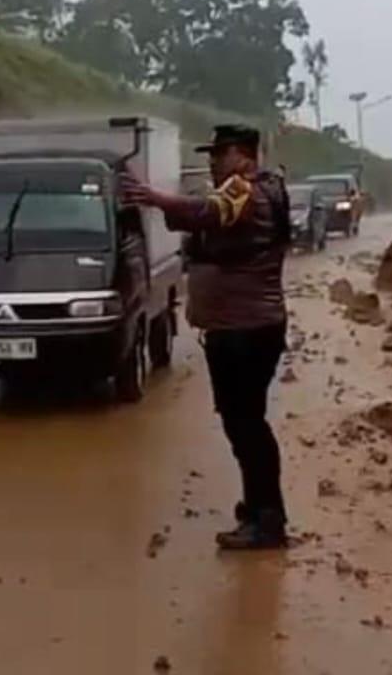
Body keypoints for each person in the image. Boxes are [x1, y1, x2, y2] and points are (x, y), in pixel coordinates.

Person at [121, 124, 292, 550]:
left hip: (245, 330)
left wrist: (154, 197)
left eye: (221, 154)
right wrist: (166, 205)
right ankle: (258, 508)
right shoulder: (251, 191)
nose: (214, 162)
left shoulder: (248, 192)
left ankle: (267, 519)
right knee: (243, 423)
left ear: (245, 157)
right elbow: (193, 215)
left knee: (247, 425)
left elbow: (206, 213)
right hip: (240, 327)